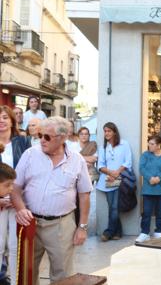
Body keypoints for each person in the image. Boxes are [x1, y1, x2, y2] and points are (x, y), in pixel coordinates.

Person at [11, 117, 92, 284]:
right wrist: (20, 209)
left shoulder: (77, 160)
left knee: (63, 275)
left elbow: (84, 194)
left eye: (47, 136)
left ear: (62, 138)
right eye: (40, 135)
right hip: (30, 223)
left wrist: (82, 227)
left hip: (61, 225)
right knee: (26, 272)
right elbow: (15, 187)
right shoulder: (30, 154)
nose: (42, 140)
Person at [0, 106, 29, 285]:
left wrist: (17, 196)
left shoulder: (23, 142)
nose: (1, 121)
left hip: (18, 201)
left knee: (15, 245)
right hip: (0, 203)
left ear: (12, 120)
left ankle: (16, 280)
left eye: (4, 117)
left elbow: (29, 170)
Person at [97, 122, 132, 241]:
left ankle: (109, 232)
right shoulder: (103, 147)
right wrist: (110, 173)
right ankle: (118, 232)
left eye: (109, 131)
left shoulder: (124, 144)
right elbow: (100, 165)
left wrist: (117, 172)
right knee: (112, 207)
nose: (106, 133)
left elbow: (128, 162)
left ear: (114, 132)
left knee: (114, 207)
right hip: (108, 180)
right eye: (105, 131)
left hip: (121, 179)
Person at [136, 135, 161, 243]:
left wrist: (158, 178)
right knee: (146, 212)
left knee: (160, 212)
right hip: (148, 189)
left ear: (158, 145)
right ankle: (144, 233)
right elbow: (141, 168)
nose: (149, 145)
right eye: (149, 143)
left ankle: (159, 232)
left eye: (152, 144)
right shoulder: (145, 155)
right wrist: (150, 178)